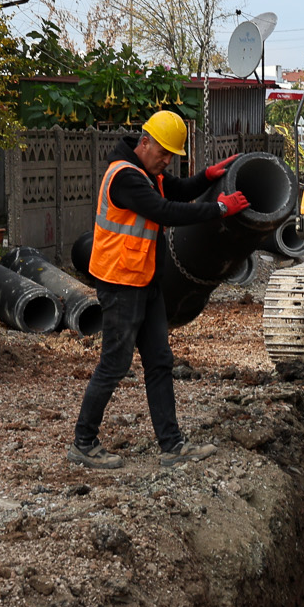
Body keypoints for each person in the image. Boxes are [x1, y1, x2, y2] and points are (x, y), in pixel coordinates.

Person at [68, 109, 251, 470]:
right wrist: (218, 208)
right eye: (164, 153)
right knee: (114, 365)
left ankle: (172, 446)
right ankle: (83, 443)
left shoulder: (147, 172)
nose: (167, 161)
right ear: (145, 142)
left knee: (159, 362)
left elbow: (177, 190)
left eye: (172, 156)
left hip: (145, 281)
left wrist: (206, 178)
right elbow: (167, 211)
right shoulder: (125, 178)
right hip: (120, 283)